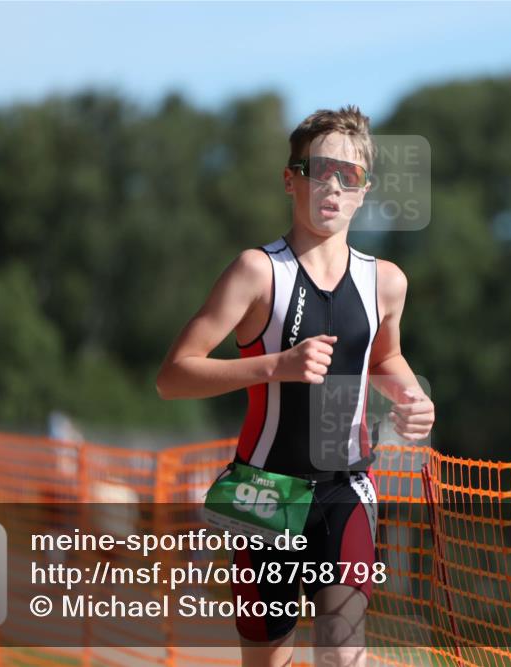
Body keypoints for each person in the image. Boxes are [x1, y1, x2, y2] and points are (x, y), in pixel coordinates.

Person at [156, 105, 435, 667]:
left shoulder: (386, 282)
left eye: (349, 176)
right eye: (320, 170)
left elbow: (385, 356)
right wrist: (274, 365)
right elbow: (174, 376)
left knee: (341, 651)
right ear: (292, 179)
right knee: (268, 661)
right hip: (264, 491)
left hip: (347, 489)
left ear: (364, 191)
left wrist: (412, 397)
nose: (333, 186)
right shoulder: (257, 272)